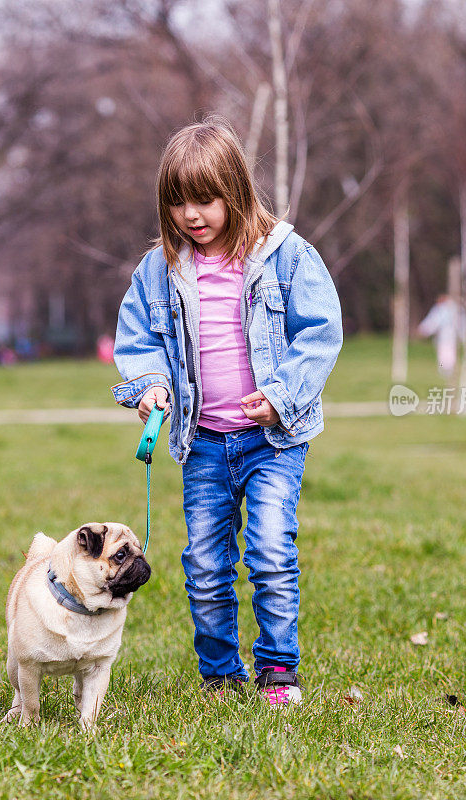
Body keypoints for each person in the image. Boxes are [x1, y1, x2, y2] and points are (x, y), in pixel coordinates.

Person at [112, 117, 343, 707]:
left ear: (236, 192)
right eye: (178, 203)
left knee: (270, 550)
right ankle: (219, 674)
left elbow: (319, 334)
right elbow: (137, 340)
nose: (192, 215)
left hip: (273, 441)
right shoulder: (159, 270)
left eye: (206, 200)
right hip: (205, 441)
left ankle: (277, 673)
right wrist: (149, 387)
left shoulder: (285, 257)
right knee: (207, 564)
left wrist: (282, 396)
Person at [417, 293, 466, 379]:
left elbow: (433, 322)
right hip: (446, 338)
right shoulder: (452, 309)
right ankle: (448, 372)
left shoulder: (443, 310)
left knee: (446, 355)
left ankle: (448, 372)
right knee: (446, 355)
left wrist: (424, 330)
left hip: (447, 338)